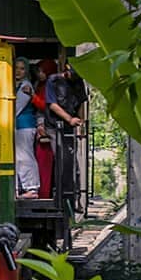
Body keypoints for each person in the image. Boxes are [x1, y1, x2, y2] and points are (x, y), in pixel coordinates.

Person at [45, 62, 87, 197]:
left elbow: (81, 102)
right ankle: (61, 195)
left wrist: (81, 123)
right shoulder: (53, 81)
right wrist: (69, 119)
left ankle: (75, 195)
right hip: (54, 125)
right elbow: (52, 105)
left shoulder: (79, 83)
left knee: (71, 161)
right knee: (61, 160)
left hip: (71, 126)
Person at [31, 59, 57, 198]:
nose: (39, 74)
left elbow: (45, 106)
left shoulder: (49, 86)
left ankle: (44, 193)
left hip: (46, 127)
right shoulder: (40, 85)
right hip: (41, 126)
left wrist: (32, 97)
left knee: (44, 163)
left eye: (41, 71)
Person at [14, 58, 39, 198]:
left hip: (25, 125)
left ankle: (32, 187)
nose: (18, 71)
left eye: (22, 68)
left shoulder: (25, 86)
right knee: (18, 158)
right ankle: (20, 188)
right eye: (16, 68)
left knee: (25, 157)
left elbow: (16, 108)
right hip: (17, 126)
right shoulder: (15, 85)